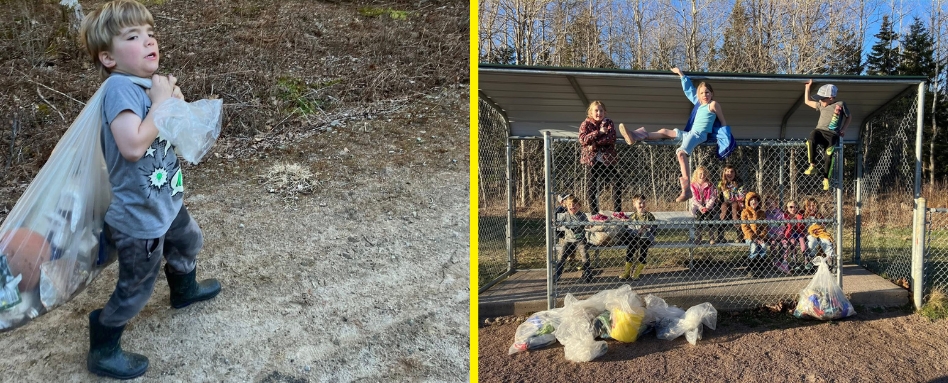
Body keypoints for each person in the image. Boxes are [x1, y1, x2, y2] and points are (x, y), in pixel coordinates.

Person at [78, 1, 221, 378]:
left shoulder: (146, 85)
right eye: (133, 36)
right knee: (137, 286)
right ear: (108, 57)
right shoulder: (119, 89)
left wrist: (175, 103)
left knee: (189, 242)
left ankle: (183, 290)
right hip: (138, 216)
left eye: (150, 32)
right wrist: (158, 105)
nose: (148, 40)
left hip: (166, 200)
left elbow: (180, 135)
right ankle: (104, 343)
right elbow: (132, 146)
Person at [619, 67, 734, 202]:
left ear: (712, 93)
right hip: (690, 133)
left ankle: (686, 189)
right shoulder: (698, 103)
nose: (705, 95)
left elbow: (723, 121)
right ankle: (635, 136)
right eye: (702, 93)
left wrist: (726, 138)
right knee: (664, 131)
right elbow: (689, 91)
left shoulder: (713, 105)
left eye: (707, 92)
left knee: (681, 153)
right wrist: (681, 74)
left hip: (699, 135)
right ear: (698, 95)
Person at [804, 80, 851, 191]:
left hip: (832, 134)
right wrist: (807, 87)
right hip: (820, 131)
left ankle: (826, 179)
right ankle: (812, 165)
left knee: (829, 154)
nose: (820, 100)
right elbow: (807, 101)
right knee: (811, 139)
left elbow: (849, 117)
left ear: (830, 97)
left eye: (822, 98)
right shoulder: (821, 105)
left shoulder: (840, 104)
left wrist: (843, 129)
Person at [579, 101, 623, 214]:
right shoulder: (586, 124)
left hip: (606, 159)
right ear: (590, 112)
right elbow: (583, 139)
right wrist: (598, 132)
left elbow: (611, 138)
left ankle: (617, 211)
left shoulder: (608, 123)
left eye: (601, 110)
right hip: (592, 160)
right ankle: (594, 213)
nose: (599, 113)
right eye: (596, 110)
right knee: (592, 185)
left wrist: (594, 143)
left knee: (617, 180)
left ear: (605, 112)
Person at [555, 195, 593, 283]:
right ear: (567, 206)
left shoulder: (582, 215)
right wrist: (557, 223)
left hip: (580, 240)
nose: (572, 206)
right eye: (570, 205)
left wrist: (589, 225)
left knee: (584, 253)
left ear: (579, 206)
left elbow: (587, 224)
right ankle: (557, 274)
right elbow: (559, 224)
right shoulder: (565, 215)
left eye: (575, 205)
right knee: (561, 255)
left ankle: (587, 272)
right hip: (568, 240)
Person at [618, 194, 655, 280]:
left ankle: (637, 273)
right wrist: (635, 230)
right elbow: (629, 229)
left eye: (643, 202)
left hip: (646, 238)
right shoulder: (632, 217)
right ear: (634, 204)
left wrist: (646, 227)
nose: (642, 205)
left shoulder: (649, 216)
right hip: (635, 237)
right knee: (631, 248)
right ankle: (627, 273)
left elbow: (653, 227)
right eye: (639, 203)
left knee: (643, 249)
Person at [803, 197, 836, 269]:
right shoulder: (804, 215)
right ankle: (811, 258)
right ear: (806, 207)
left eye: (813, 205)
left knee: (826, 241)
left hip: (820, 233)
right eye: (809, 206)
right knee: (812, 242)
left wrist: (821, 225)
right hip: (809, 234)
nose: (812, 207)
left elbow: (823, 226)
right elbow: (802, 228)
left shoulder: (819, 215)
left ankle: (830, 258)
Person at [740, 192, 767, 277]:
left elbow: (765, 227)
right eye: (751, 200)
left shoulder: (761, 213)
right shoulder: (745, 212)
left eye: (755, 199)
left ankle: (760, 268)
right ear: (748, 202)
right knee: (754, 246)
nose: (754, 201)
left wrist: (762, 236)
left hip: (760, 237)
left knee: (763, 246)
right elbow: (745, 227)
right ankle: (751, 268)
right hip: (749, 237)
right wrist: (754, 237)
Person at [688, 166, 717, 244]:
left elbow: (713, 197)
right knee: (699, 218)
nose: (702, 175)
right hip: (697, 207)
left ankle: (711, 237)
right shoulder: (692, 186)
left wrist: (707, 207)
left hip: (708, 206)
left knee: (710, 217)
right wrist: (700, 207)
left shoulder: (710, 185)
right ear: (696, 175)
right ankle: (699, 237)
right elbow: (693, 199)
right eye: (700, 174)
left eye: (704, 174)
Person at [718, 165, 745, 243]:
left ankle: (739, 236)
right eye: (728, 171)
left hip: (736, 202)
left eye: (732, 171)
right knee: (724, 207)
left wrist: (732, 196)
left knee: (735, 207)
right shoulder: (721, 183)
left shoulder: (739, 182)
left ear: (735, 173)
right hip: (725, 202)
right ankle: (720, 235)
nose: (730, 173)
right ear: (724, 173)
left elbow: (741, 195)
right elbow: (719, 196)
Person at [764, 196, 790, 274]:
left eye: (772, 202)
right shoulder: (766, 214)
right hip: (771, 235)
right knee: (773, 243)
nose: (770, 204)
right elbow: (765, 227)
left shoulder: (780, 213)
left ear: (775, 203)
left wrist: (780, 234)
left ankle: (784, 261)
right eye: (768, 203)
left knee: (784, 244)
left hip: (780, 235)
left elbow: (783, 225)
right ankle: (775, 261)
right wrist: (770, 235)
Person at [782, 200, 809, 270]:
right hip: (789, 233)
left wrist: (803, 231)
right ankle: (794, 262)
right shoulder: (785, 216)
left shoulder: (799, 216)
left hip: (798, 233)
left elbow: (802, 227)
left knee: (802, 241)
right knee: (793, 242)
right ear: (787, 208)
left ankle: (806, 260)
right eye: (791, 207)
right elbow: (783, 228)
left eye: (795, 207)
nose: (793, 209)